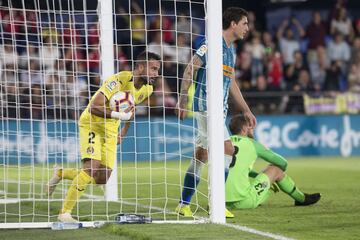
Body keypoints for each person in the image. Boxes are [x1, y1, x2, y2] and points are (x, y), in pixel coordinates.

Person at [45, 51, 161, 222]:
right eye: (153, 69)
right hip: (92, 123)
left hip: (111, 130)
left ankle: (62, 173)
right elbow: (93, 107)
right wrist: (121, 116)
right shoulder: (120, 79)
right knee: (91, 168)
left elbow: (131, 111)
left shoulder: (148, 89)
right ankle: (65, 213)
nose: (156, 74)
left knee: (101, 178)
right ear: (141, 66)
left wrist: (123, 131)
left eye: (157, 70)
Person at [175, 7, 256, 218]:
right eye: (245, 23)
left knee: (201, 155)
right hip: (205, 106)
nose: (248, 28)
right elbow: (190, 68)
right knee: (228, 149)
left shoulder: (231, 50)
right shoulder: (210, 43)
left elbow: (231, 83)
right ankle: (217, 203)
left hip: (219, 110)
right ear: (233, 24)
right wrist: (183, 100)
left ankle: (183, 204)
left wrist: (246, 110)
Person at [225, 114, 321, 210]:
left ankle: (266, 189)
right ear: (244, 128)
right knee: (276, 169)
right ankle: (301, 199)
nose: (252, 129)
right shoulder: (252, 144)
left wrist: (259, 175)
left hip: (221, 203)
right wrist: (276, 176)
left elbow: (236, 167)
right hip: (244, 202)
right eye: (250, 126)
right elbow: (282, 162)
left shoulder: (224, 144)